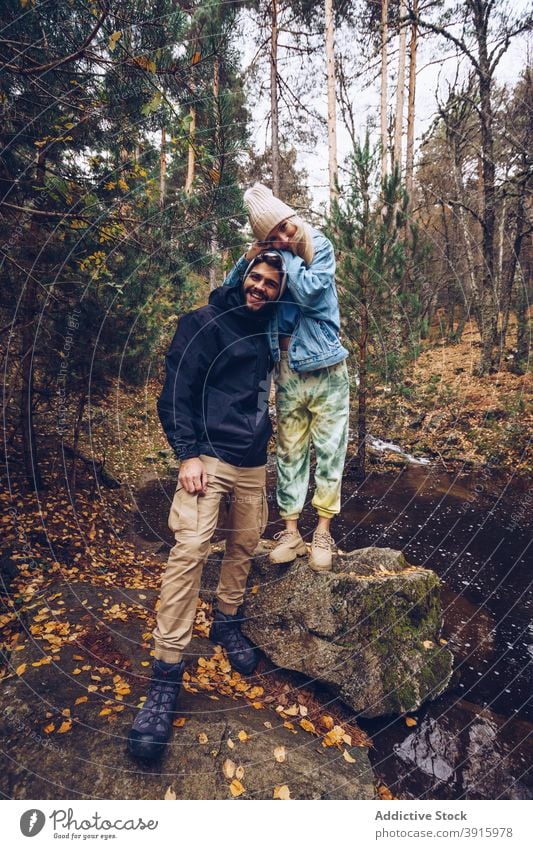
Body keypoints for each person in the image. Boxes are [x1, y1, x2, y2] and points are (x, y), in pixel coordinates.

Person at [127, 250, 287, 762]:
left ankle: (227, 620)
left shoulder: (271, 330)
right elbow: (176, 390)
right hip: (208, 458)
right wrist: (187, 453)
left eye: (271, 284)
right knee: (191, 548)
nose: (260, 288)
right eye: (255, 278)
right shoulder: (201, 323)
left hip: (254, 460)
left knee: (244, 543)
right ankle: (165, 673)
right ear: (242, 275)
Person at [224, 183, 349, 572]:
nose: (280, 238)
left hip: (327, 368)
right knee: (290, 452)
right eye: (270, 236)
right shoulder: (271, 255)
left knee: (329, 451)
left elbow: (312, 294)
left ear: (290, 216)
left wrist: (284, 253)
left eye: (282, 228)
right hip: (287, 370)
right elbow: (232, 291)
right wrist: (250, 256)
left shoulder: (319, 246)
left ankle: (323, 531)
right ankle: (292, 532)